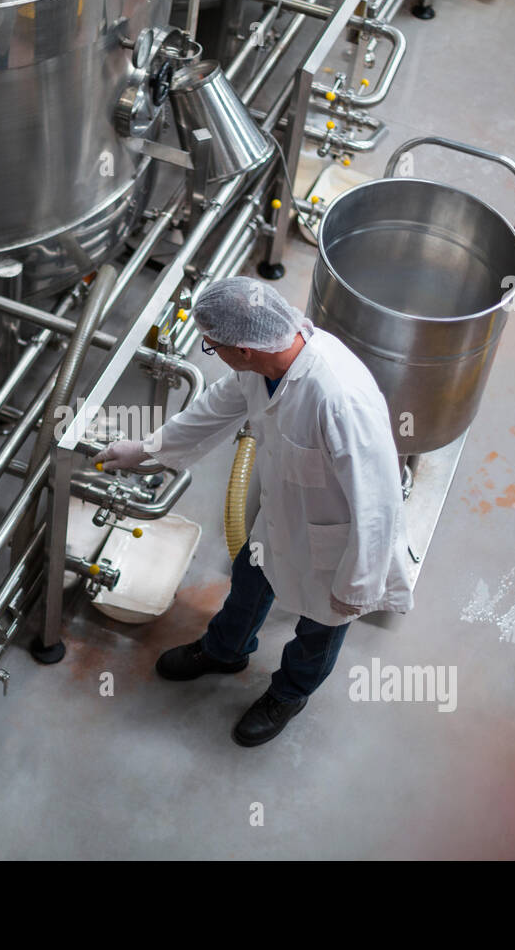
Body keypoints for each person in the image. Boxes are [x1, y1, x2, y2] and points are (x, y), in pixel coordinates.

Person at [92, 276, 414, 747]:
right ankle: (225, 651)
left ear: (242, 348)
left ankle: (289, 693)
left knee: (319, 628)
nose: (211, 350)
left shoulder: (338, 398)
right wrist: (147, 448)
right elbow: (214, 408)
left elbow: (378, 504)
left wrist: (359, 586)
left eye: (212, 345)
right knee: (248, 584)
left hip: (336, 544)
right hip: (281, 513)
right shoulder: (260, 365)